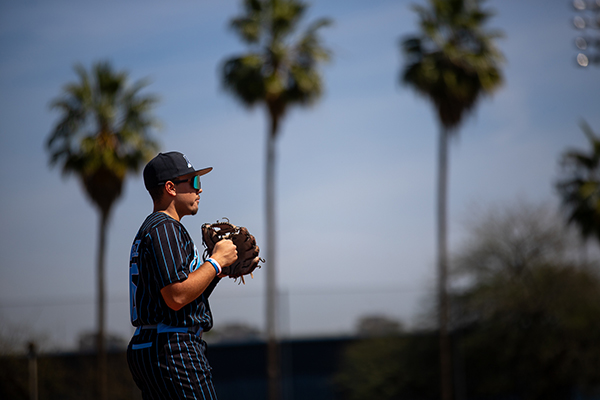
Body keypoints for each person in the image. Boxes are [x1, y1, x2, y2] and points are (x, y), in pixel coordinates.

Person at [127, 151, 238, 399]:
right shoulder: (165, 227)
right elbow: (176, 296)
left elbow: (181, 296)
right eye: (194, 181)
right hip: (172, 348)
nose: (200, 190)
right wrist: (215, 262)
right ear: (171, 188)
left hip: (152, 343)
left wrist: (214, 274)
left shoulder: (153, 228)